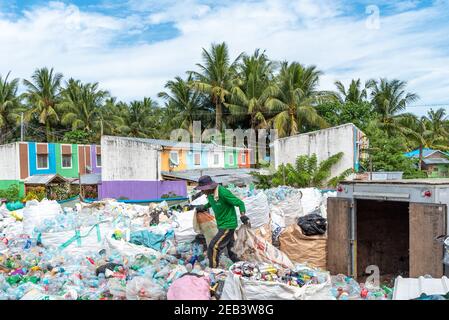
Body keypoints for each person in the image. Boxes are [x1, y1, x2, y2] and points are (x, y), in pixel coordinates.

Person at [194, 175, 250, 268]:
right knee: (232, 249)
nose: (202, 192)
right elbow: (212, 202)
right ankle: (240, 266)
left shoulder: (223, 192)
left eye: (203, 189)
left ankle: (213, 270)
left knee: (213, 246)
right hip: (221, 224)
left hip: (228, 224)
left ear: (209, 187)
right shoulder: (210, 194)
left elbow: (240, 203)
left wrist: (243, 215)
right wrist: (204, 207)